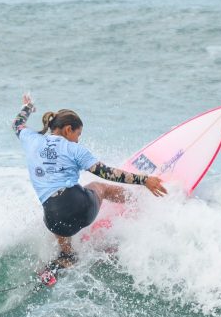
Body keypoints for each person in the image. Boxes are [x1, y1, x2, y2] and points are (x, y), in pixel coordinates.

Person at [12, 94, 167, 281]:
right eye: (78, 134)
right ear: (68, 129)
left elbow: (17, 124)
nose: (77, 140)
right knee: (99, 186)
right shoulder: (74, 149)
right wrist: (144, 180)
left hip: (53, 220)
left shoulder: (31, 140)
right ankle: (138, 201)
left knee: (54, 204)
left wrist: (28, 107)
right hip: (80, 210)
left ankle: (67, 255)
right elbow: (107, 172)